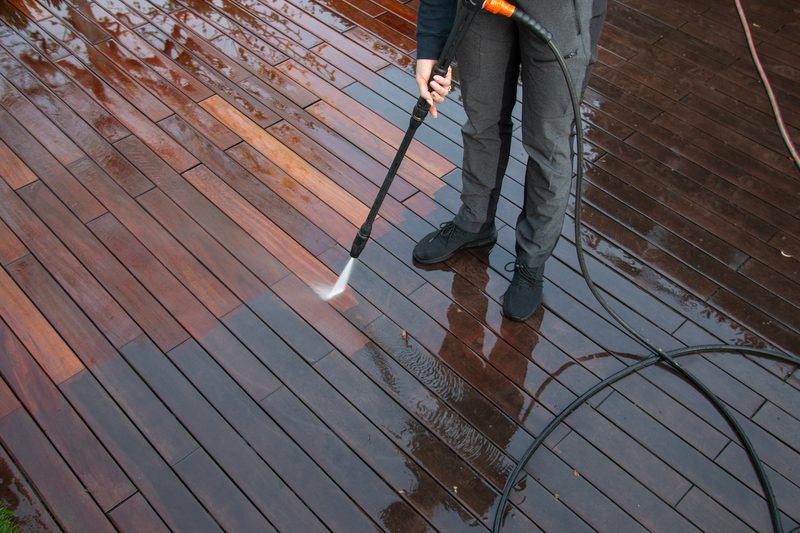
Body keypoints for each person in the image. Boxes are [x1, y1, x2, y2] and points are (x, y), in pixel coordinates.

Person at [413, 0, 608, 321]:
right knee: (481, 122)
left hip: (559, 14)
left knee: (549, 142)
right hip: (480, 10)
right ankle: (474, 222)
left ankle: (532, 260)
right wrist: (430, 45)